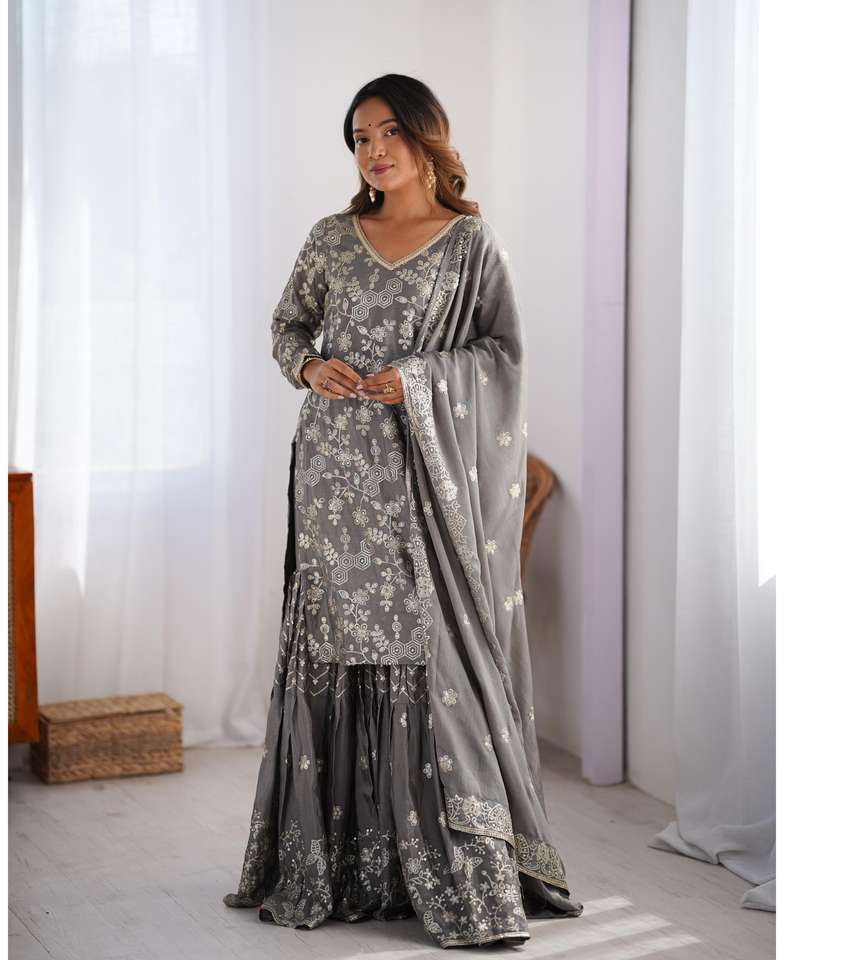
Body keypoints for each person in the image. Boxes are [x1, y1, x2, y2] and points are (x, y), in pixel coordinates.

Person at [223, 73, 583, 949]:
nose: (373, 151)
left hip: (423, 487)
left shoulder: (469, 245)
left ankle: (461, 878)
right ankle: (345, 866)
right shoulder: (331, 238)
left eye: (389, 132)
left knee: (431, 657)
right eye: (359, 138)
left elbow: (502, 356)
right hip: (333, 479)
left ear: (427, 138)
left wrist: (419, 378)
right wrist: (309, 367)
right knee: (336, 647)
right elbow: (286, 327)